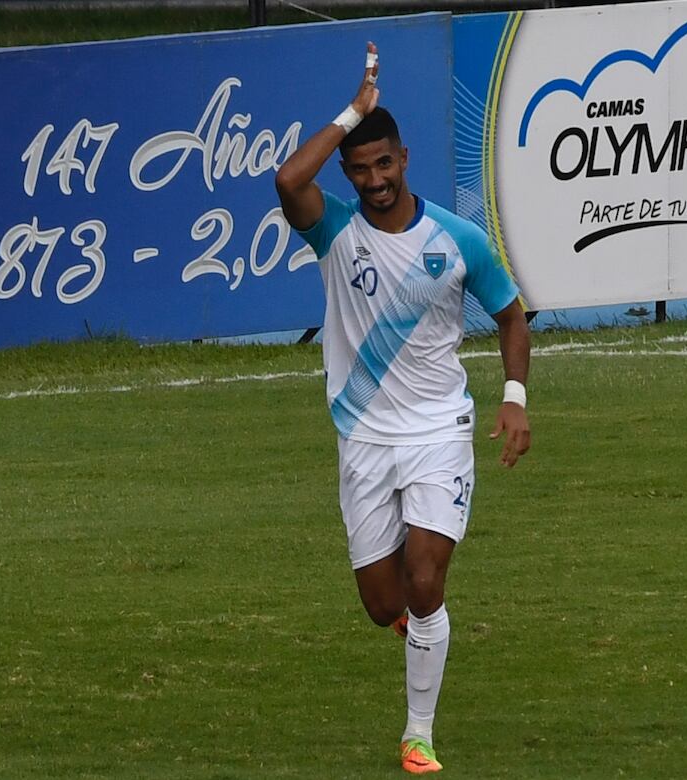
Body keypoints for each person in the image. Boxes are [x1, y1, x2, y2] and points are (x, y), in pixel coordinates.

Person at [273, 43, 532, 774]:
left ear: (405, 159)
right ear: (347, 173)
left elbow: (512, 316)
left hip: (439, 430)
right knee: (383, 605)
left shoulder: (458, 240)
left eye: (385, 164)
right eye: (360, 169)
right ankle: (415, 628)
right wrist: (352, 112)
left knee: (425, 580)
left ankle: (418, 734)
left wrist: (514, 398)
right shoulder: (334, 233)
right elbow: (288, 178)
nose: (376, 180)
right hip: (363, 437)